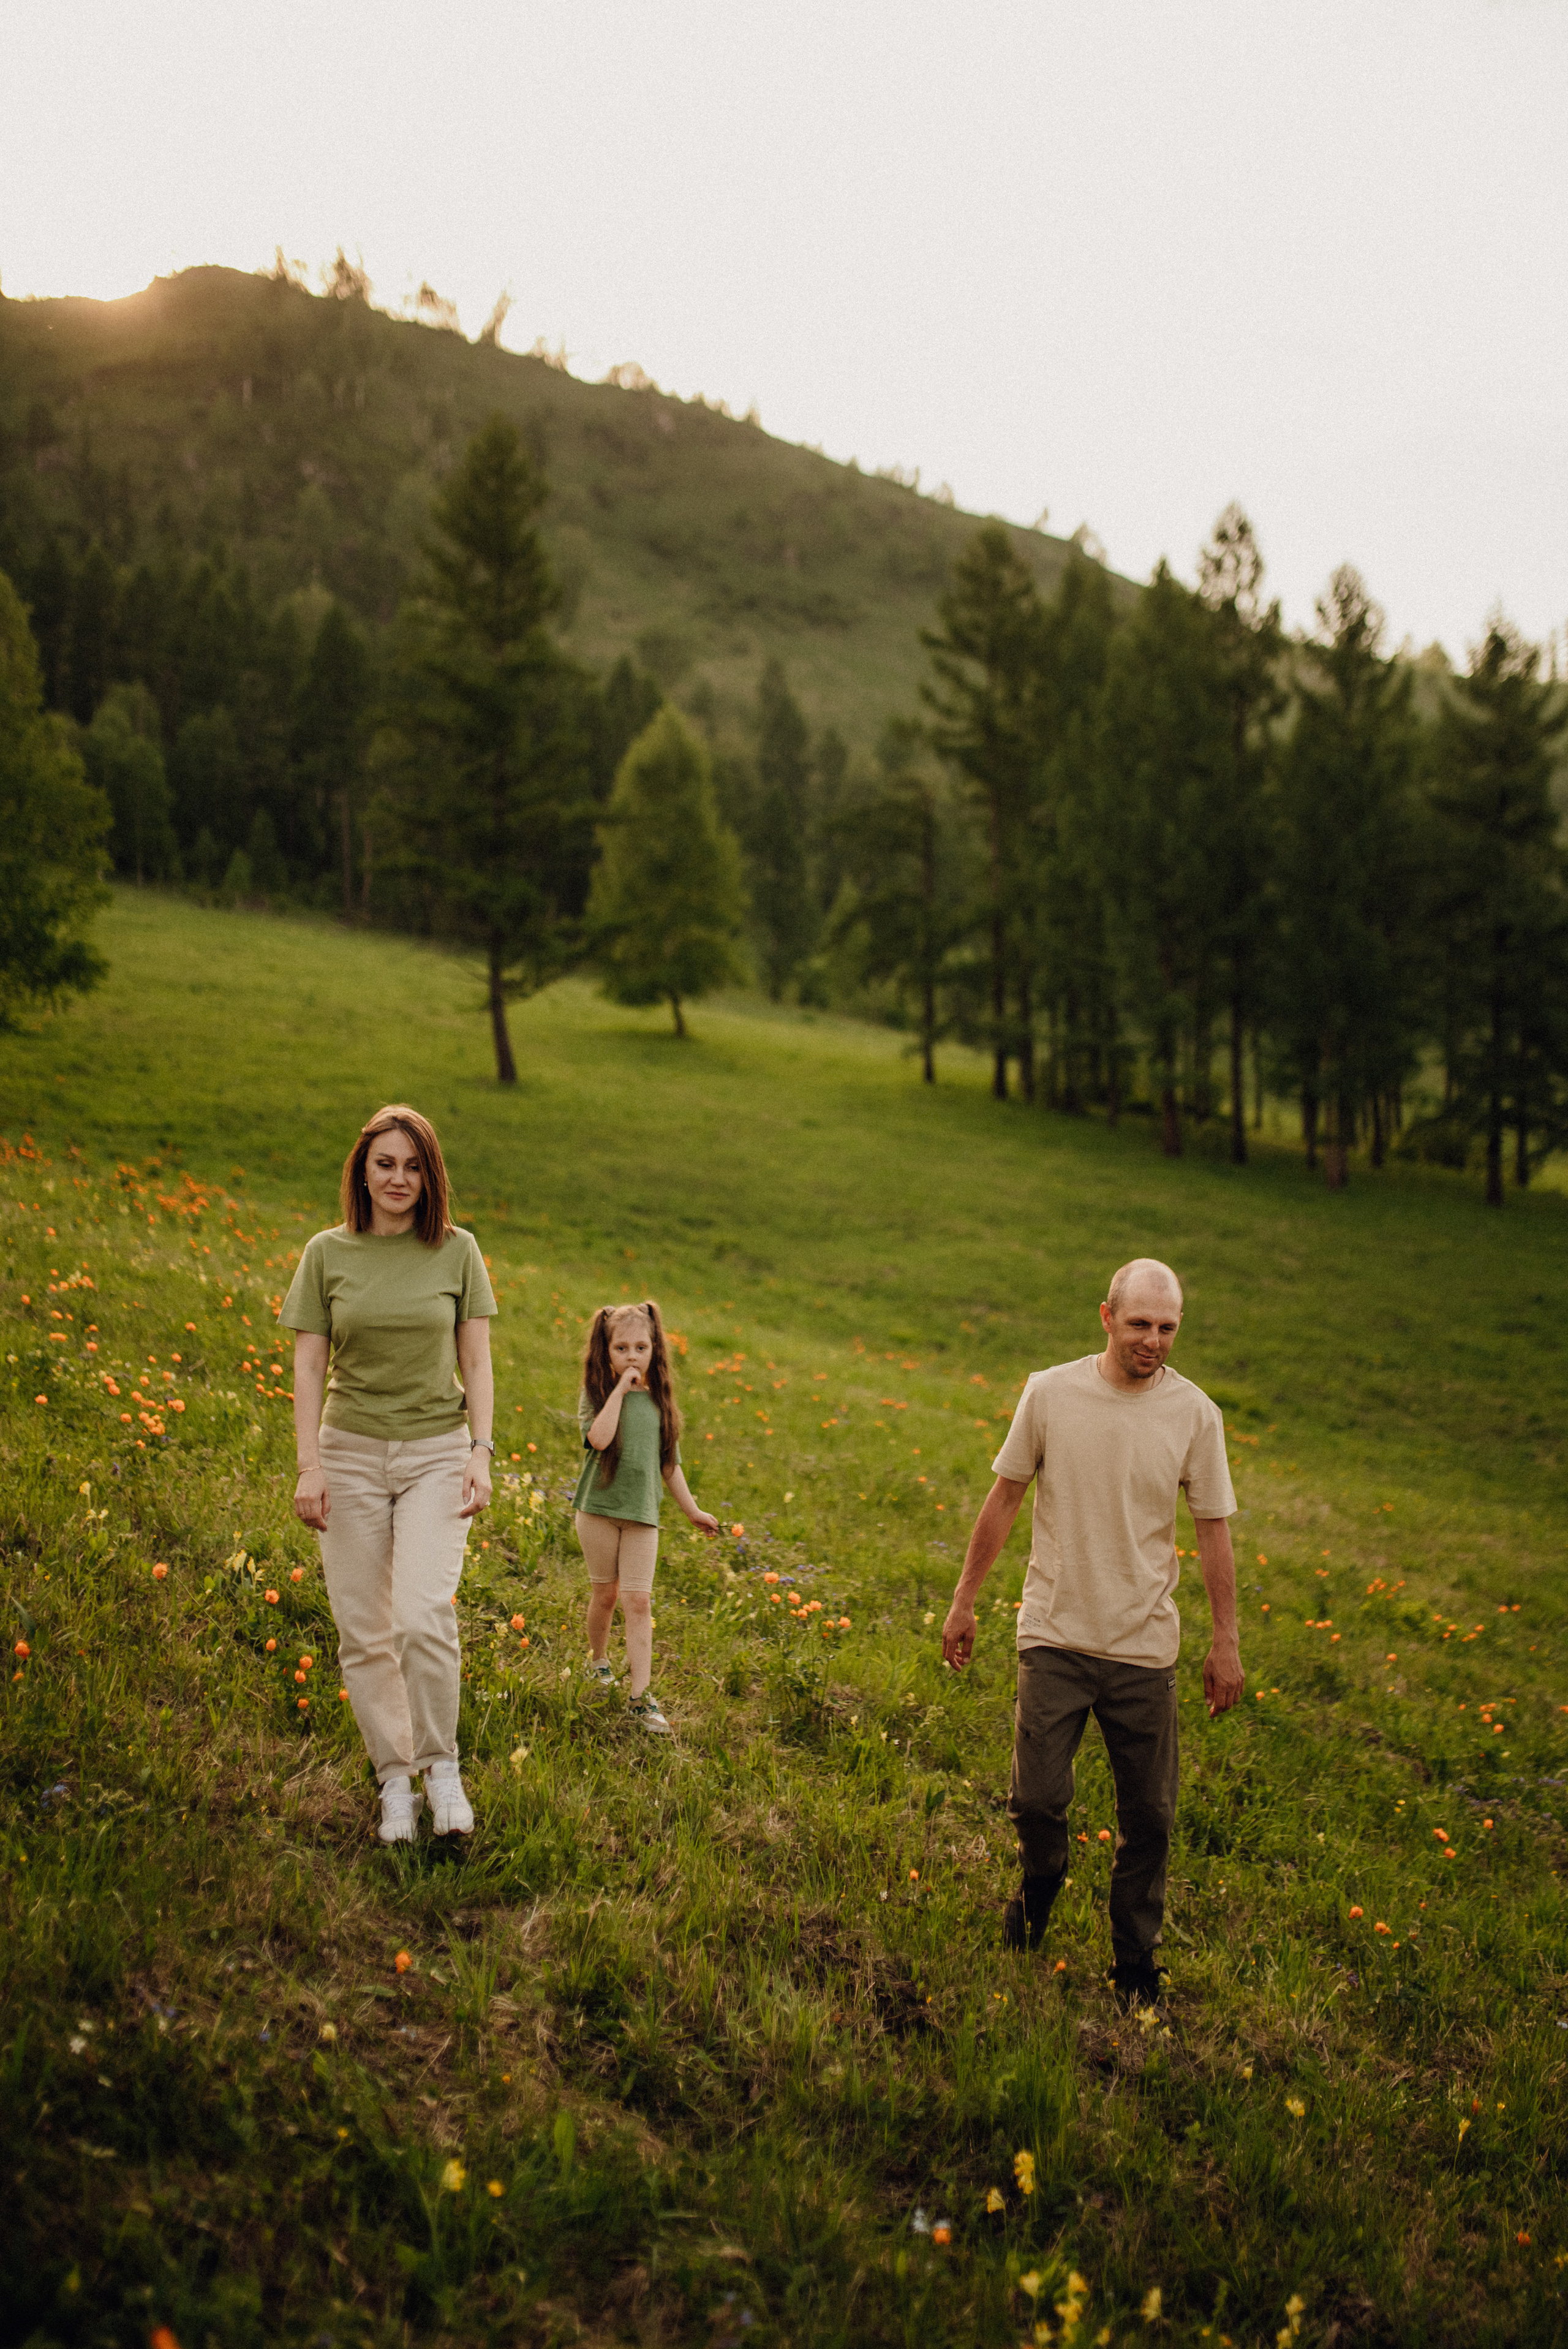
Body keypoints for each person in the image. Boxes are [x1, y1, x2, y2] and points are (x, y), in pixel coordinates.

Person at [940, 1258, 1243, 2005]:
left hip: (1144, 1650)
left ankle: (1134, 1962)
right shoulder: (1050, 1393)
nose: (1154, 1341)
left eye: (1168, 1328)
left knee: (1150, 1820)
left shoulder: (1195, 1416)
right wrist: (964, 1601)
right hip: (1055, 1635)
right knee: (1037, 1801)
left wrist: (1226, 1641)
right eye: (1140, 1324)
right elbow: (1005, 1497)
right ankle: (1042, 1882)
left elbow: (1212, 1534)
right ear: (1106, 1317)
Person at [282, 1104, 497, 1844]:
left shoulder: (458, 1251)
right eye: (385, 1164)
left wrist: (481, 1449)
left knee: (421, 1613)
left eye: (412, 1166)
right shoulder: (326, 1253)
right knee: (364, 1630)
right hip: (348, 1454)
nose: (398, 1178)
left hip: (438, 1452)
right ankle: (394, 1780)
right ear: (363, 1171)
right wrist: (310, 1464)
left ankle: (442, 1768)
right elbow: (309, 1363)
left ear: (429, 1175)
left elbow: (477, 1359)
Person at [575, 1300, 717, 1733]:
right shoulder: (597, 1393)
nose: (632, 1356)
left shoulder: (661, 1402)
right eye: (622, 1349)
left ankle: (640, 1697)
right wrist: (619, 1391)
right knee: (605, 1595)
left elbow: (669, 1465)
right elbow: (598, 1440)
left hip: (642, 1516)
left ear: (655, 1349)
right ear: (607, 1352)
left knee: (638, 1600)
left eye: (641, 1347)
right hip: (598, 1512)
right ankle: (598, 1661)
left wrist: (692, 1510)